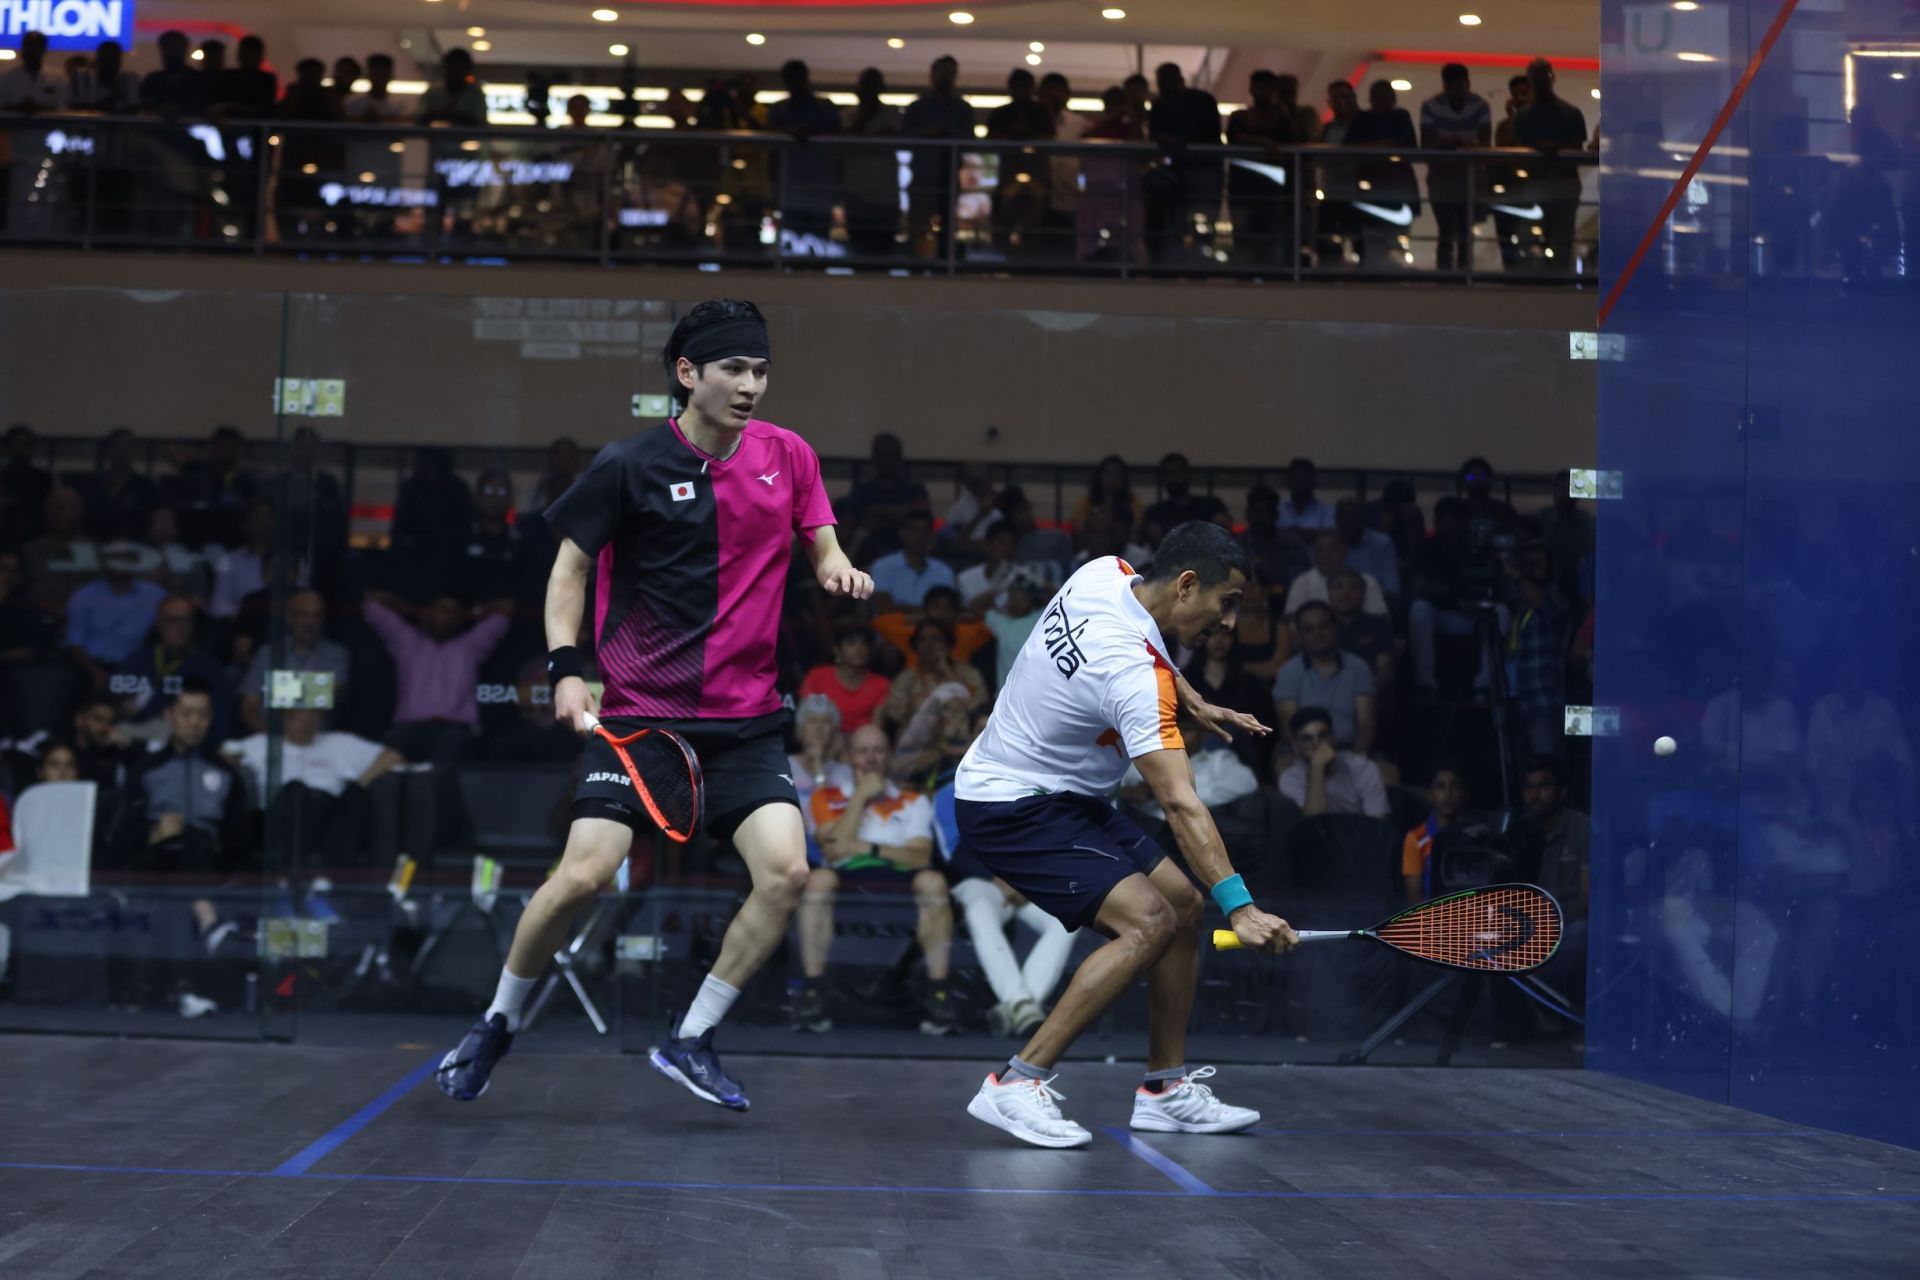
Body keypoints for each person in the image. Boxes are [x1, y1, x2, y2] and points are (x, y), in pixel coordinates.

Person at [436, 299, 873, 1113]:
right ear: (687, 375)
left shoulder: (789, 455)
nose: (750, 385)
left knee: (786, 873)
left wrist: (836, 563)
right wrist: (569, 668)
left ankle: (691, 1039)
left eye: (760, 370)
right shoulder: (628, 464)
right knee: (583, 877)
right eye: (733, 370)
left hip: (745, 721)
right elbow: (569, 570)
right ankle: (496, 1022)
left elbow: (820, 534)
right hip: (640, 716)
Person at [954, 522, 1296, 1148]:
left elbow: (1141, 646)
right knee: (1149, 923)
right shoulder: (1134, 682)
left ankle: (1164, 1089)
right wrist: (1242, 908)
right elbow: (1180, 802)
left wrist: (1189, 698)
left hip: (1066, 792)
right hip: (1013, 804)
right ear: (1187, 585)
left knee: (1185, 908)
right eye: (1226, 603)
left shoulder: (1103, 572)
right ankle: (1016, 1083)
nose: (1227, 623)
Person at [797, 723, 954, 1035]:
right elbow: (832, 852)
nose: (871, 758)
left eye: (878, 750)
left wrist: (864, 846)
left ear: (889, 756)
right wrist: (861, 798)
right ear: (850, 757)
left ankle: (939, 994)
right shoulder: (825, 797)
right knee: (817, 881)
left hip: (900, 881)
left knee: (934, 882)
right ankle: (813, 992)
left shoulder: (913, 799)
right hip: (845, 878)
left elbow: (920, 857)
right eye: (863, 751)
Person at [934, 735, 1074, 1038]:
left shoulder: (1036, 785)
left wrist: (1023, 879)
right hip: (979, 883)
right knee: (979, 907)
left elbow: (1051, 844)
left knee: (1068, 919)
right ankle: (1024, 1007)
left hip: (1027, 884)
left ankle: (1018, 1006)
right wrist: (1003, 876)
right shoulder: (951, 789)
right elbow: (952, 854)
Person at [227, 708, 402, 868]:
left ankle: (339, 879)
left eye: (312, 715)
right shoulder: (261, 744)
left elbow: (394, 755)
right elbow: (223, 754)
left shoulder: (339, 742)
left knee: (354, 795)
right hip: (284, 812)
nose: (306, 721)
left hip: (331, 813)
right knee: (295, 790)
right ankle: (290, 876)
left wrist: (363, 780)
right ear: (284, 719)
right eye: (297, 717)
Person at [129, 679, 248, 877]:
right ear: (169, 716)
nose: (194, 723)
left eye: (203, 715)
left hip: (210, 870)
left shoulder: (226, 772)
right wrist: (153, 834)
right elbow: (126, 831)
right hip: (157, 869)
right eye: (186, 714)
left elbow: (239, 837)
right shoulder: (146, 769)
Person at [239, 590, 350, 735]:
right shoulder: (268, 653)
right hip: (272, 738)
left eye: (316, 616)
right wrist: (270, 738)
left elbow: (328, 694)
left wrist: (272, 690)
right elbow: (249, 706)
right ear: (290, 617)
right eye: (304, 615)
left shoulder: (336, 654)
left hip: (317, 740)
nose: (310, 623)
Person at [1272, 602, 1376, 756]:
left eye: (1324, 626)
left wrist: (1354, 761)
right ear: (1299, 635)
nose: (1318, 634)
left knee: (1388, 774)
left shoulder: (1358, 667)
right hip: (1302, 753)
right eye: (1309, 629)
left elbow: (1366, 725)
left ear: (1335, 628)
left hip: (1350, 751)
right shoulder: (1288, 672)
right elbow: (1289, 729)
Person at [1513, 59, 1588, 273]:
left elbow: (1576, 149)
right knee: (1552, 236)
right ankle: (1550, 276)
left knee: (1558, 236)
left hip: (1557, 181)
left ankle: (1553, 276)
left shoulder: (1568, 113)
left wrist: (1554, 148)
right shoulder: (1567, 112)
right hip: (1543, 182)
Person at [1420, 64, 1492, 272]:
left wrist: (1450, 143)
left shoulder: (1479, 105)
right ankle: (1449, 274)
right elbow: (1427, 146)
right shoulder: (1432, 106)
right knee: (1447, 229)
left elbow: (1485, 146)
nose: (1457, 90)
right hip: (1444, 177)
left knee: (1463, 230)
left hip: (1468, 177)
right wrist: (1464, 143)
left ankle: (1461, 273)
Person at [903, 56, 975, 261]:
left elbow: (968, 140)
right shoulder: (918, 108)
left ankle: (945, 263)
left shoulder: (962, 109)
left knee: (947, 229)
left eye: (950, 73)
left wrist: (948, 135)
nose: (946, 78)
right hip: (923, 176)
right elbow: (906, 138)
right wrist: (927, 134)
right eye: (942, 72)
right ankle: (917, 266)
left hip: (948, 176)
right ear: (932, 75)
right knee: (918, 229)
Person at [1225, 70, 1298, 267]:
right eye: (1259, 88)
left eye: (1267, 89)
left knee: (1270, 236)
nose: (1262, 93)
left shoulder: (1281, 118)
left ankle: (1267, 272)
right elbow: (1234, 138)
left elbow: (1292, 141)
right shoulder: (1240, 116)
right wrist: (1265, 143)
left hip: (1269, 187)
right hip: (1246, 185)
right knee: (1245, 236)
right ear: (1251, 89)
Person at [767, 59, 841, 247]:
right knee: (793, 242)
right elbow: (772, 147)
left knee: (818, 243)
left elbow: (835, 138)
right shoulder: (779, 110)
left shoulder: (825, 108)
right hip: (792, 188)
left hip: (819, 186)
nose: (796, 84)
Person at [986, 68, 1053, 258]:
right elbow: (992, 140)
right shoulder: (1001, 114)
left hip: (1036, 175)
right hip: (1010, 174)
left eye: (1026, 86)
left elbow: (1049, 139)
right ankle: (1008, 259)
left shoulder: (1041, 112)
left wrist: (1028, 136)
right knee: (1004, 222)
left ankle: (1030, 261)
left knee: (1034, 223)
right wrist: (1011, 136)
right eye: (1019, 86)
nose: (1022, 90)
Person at [1277, 706, 1389, 819]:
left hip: (1360, 834)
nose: (1317, 744)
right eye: (1307, 739)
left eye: (1322, 735)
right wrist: (1317, 768)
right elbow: (1314, 823)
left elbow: (1378, 822)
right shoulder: (1290, 778)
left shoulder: (1362, 768)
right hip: (1320, 835)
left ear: (1333, 737)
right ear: (1296, 747)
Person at [841, 68, 905, 259]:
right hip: (856, 197)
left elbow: (887, 139)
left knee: (884, 256)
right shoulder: (848, 115)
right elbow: (849, 142)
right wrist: (866, 115)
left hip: (887, 199)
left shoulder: (892, 113)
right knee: (858, 255)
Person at [798, 623, 891, 734]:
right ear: (837, 650)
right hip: (823, 741)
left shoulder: (881, 684)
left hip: (862, 745)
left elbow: (876, 730)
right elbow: (803, 722)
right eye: (851, 643)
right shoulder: (817, 677)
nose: (858, 648)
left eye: (864, 644)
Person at [1401, 761, 1470, 901]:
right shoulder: (1416, 838)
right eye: (1440, 787)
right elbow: (1413, 897)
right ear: (1429, 794)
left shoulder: (1473, 835)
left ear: (1465, 795)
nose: (1447, 794)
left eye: (1455, 787)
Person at [1285, 529, 1390, 618]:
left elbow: (1380, 619)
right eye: (1319, 550)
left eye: (1331, 549)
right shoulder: (1302, 582)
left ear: (1344, 552)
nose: (1325, 555)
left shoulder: (1368, 581)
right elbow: (1291, 619)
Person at [789, 694, 854, 830]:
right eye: (812, 721)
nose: (819, 728)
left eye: (826, 722)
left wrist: (818, 766)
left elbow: (832, 818)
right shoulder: (784, 767)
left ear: (834, 731)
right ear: (800, 730)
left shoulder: (844, 772)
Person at [868, 510, 956, 611]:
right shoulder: (883, 566)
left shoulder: (944, 571)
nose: (920, 537)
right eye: (915, 530)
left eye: (925, 532)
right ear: (902, 534)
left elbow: (947, 610)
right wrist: (927, 612)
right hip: (893, 625)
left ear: (932, 537)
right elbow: (884, 607)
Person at [1142, 453, 1229, 534]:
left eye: (1177, 472)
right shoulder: (1155, 513)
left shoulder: (1212, 505)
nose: (1173, 478)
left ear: (1188, 474)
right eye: (1168, 474)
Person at [1277, 458, 1333, 531]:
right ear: (1288, 482)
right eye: (1296, 478)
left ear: (1313, 482)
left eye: (1305, 478)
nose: (1300, 483)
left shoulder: (1327, 513)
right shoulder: (1278, 511)